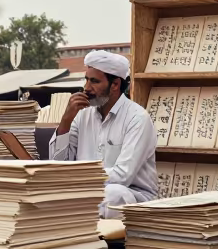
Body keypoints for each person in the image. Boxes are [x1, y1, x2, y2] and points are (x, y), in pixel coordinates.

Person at [49, 50, 157, 218]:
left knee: (113, 195)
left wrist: (78, 179)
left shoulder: (137, 118)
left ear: (115, 85)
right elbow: (58, 164)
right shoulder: (82, 114)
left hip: (132, 195)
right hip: (86, 192)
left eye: (94, 81)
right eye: (86, 80)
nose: (86, 88)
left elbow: (123, 176)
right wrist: (66, 120)